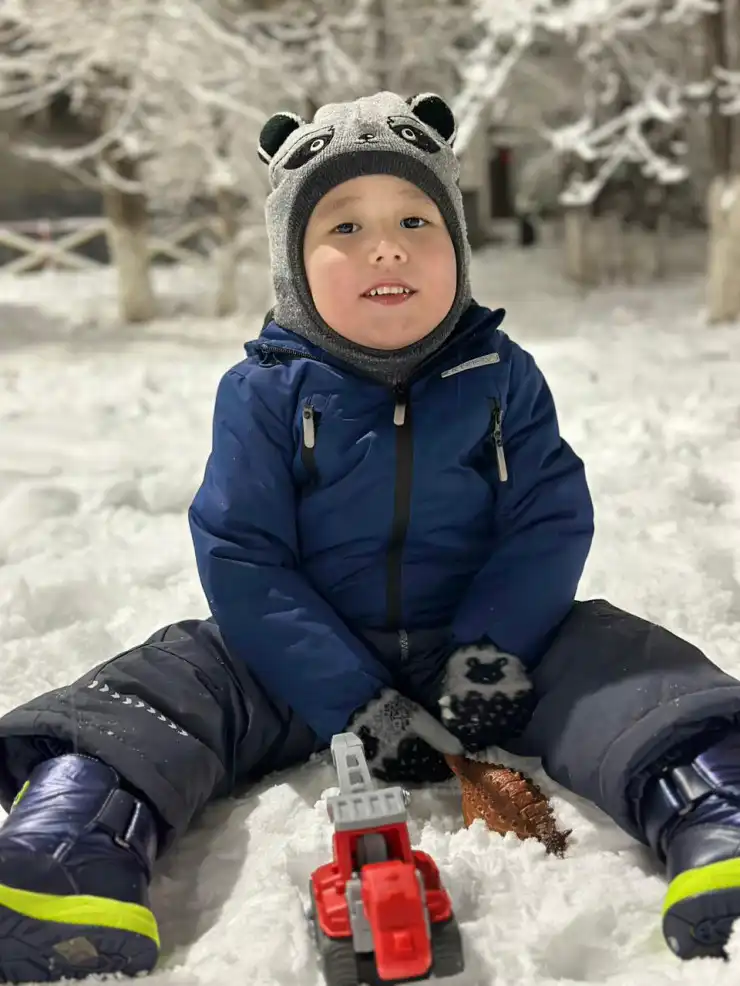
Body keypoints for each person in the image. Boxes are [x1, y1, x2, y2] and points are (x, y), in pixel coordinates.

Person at [1, 91, 740, 983]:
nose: (386, 247)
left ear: (457, 247)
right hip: (298, 660)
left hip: (478, 650)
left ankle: (716, 800)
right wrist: (351, 699)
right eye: (344, 227)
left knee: (624, 659)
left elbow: (546, 517)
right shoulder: (265, 394)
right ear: (292, 263)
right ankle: (71, 840)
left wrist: (493, 654)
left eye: (415, 220)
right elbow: (244, 553)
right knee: (167, 682)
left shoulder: (501, 378)